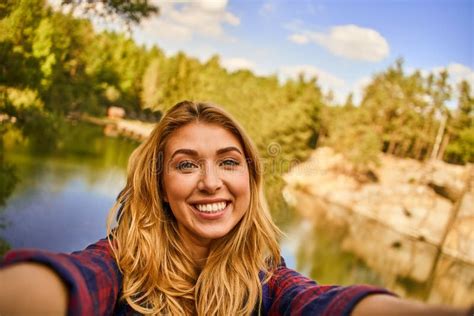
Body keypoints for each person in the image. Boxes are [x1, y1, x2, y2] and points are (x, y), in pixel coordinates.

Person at [0, 101, 469, 315]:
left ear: (249, 179)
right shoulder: (121, 263)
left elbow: (323, 304)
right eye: (186, 165)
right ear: (161, 186)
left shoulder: (267, 280)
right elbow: (72, 282)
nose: (211, 182)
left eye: (229, 162)